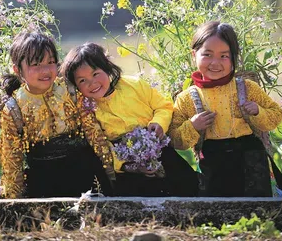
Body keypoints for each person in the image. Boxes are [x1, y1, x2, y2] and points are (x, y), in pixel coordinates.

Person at [61, 42, 198, 197]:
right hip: (127, 162)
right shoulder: (87, 111)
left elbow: (163, 106)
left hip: (158, 147)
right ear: (76, 86)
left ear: (106, 67)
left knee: (187, 184)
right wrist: (129, 166)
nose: (92, 83)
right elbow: (102, 147)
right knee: (136, 199)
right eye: (82, 81)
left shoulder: (133, 84)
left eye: (95, 74)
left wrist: (158, 123)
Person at [169, 21, 282, 197]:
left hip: (250, 159)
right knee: (217, 207)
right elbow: (176, 140)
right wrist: (193, 126)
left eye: (224, 56)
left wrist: (257, 111)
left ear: (234, 58)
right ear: (194, 55)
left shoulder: (247, 88)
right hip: (214, 161)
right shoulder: (186, 98)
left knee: (258, 207)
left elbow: (276, 115)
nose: (215, 63)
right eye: (207, 54)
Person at [0, 31, 114, 198]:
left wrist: (110, 175)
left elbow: (94, 133)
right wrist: (14, 200)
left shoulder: (70, 90)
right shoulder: (14, 108)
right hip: (44, 177)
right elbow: (12, 159)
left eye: (51, 62)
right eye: (36, 64)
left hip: (83, 170)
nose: (45, 70)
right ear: (18, 70)